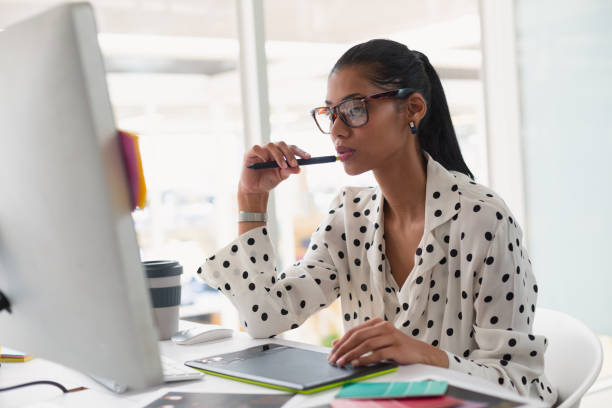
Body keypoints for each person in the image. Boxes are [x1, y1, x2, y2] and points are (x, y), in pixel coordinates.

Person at [197, 39, 557, 405]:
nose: (337, 129)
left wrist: (427, 356)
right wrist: (251, 200)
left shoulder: (484, 220)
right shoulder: (348, 217)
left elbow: (518, 385)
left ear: (412, 109)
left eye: (354, 109)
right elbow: (265, 319)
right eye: (330, 112)